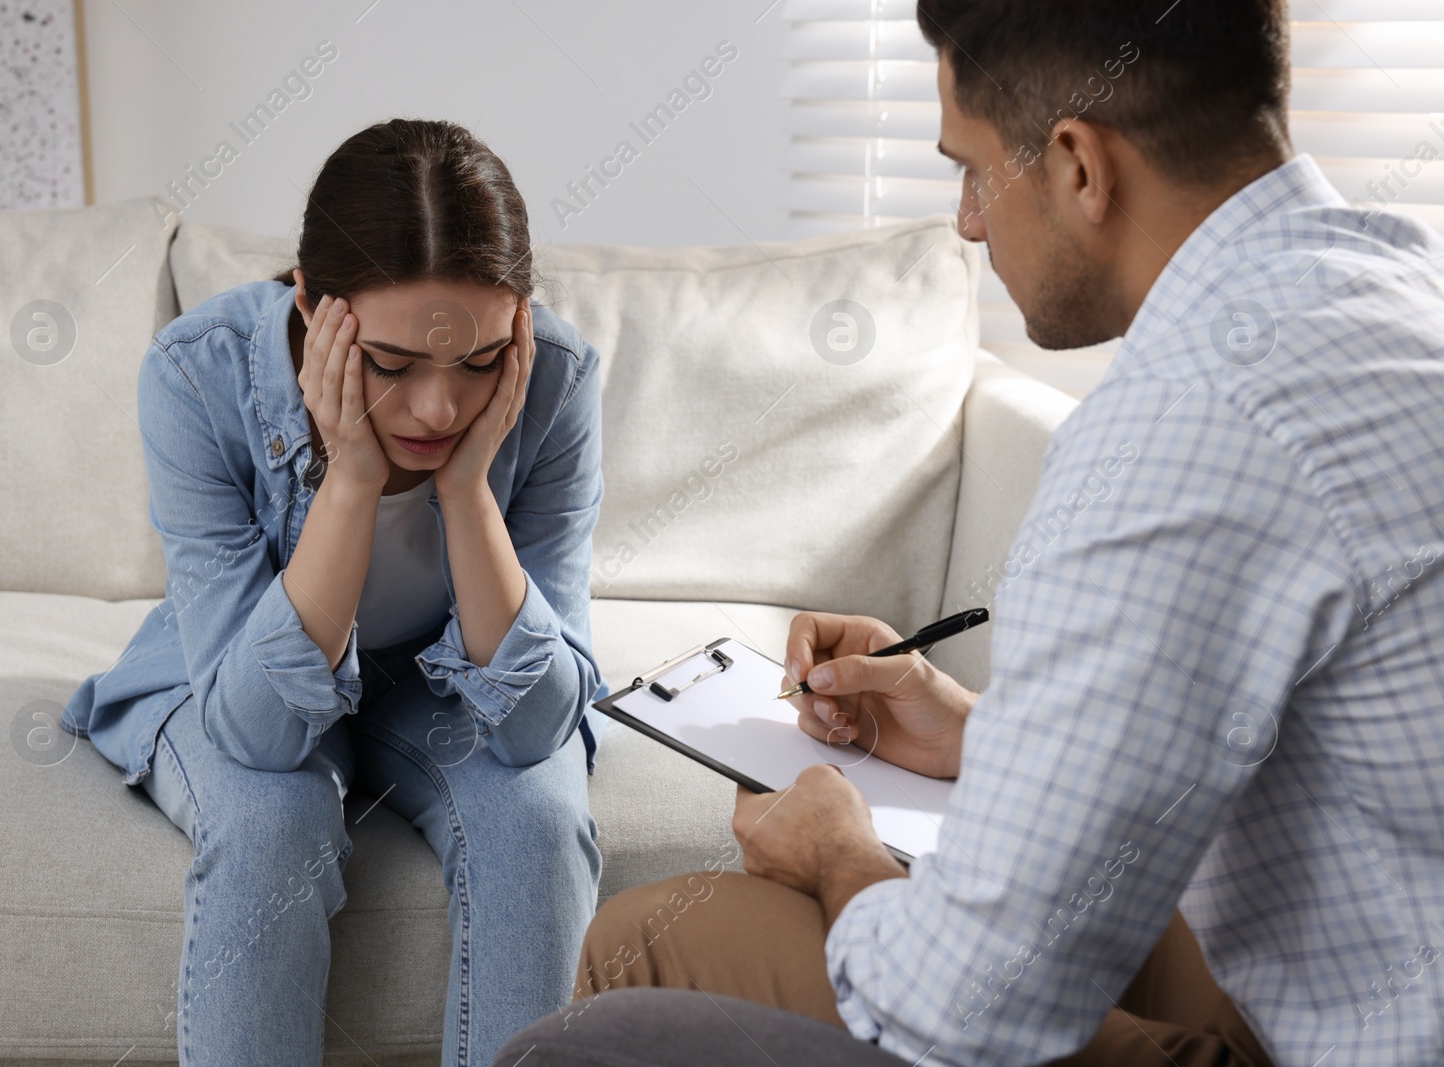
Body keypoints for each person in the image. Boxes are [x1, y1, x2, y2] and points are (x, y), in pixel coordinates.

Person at [495, 1, 1444, 1065]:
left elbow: (968, 1005)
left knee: (599, 1024)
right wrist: (970, 734)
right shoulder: (1395, 286)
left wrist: (836, 848)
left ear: (1080, 166)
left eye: (972, 167)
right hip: (1360, 964)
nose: (966, 222)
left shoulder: (1184, 431)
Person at [61, 118, 611, 1067]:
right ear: (315, 307)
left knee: (540, 817)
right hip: (237, 674)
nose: (440, 409)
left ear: (517, 320)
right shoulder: (197, 374)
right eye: (393, 365)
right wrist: (351, 478)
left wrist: (469, 490)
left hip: (436, 679)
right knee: (273, 817)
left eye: (478, 361)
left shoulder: (556, 379)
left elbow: (535, 728)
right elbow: (257, 731)